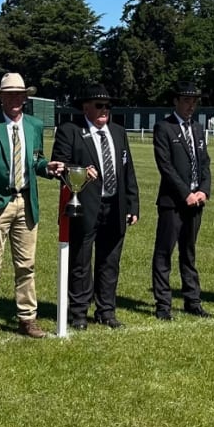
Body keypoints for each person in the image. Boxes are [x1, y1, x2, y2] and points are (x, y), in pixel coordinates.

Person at [0, 72, 64, 342]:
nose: (15, 99)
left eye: (20, 94)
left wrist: (47, 168)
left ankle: (27, 318)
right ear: (1, 97)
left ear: (26, 98)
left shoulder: (34, 125)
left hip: (26, 203)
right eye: (10, 94)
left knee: (27, 265)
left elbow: (36, 160)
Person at [52, 84, 140, 329]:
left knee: (110, 261)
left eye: (108, 106)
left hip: (115, 206)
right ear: (85, 107)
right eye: (99, 106)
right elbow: (59, 166)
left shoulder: (118, 132)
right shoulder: (70, 131)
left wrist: (132, 204)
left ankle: (106, 310)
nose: (104, 110)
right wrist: (77, 171)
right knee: (80, 261)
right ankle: (78, 312)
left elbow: (127, 171)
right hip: (84, 205)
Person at [150, 81, 211, 321]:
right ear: (175, 101)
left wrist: (203, 190)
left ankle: (192, 300)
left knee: (189, 252)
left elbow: (205, 162)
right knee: (164, 253)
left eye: (194, 101)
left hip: (196, 201)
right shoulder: (164, 128)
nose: (191, 105)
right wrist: (185, 192)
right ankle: (163, 304)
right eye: (186, 100)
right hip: (173, 203)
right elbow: (166, 166)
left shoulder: (197, 128)